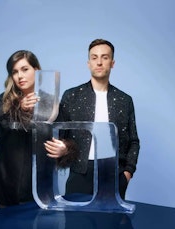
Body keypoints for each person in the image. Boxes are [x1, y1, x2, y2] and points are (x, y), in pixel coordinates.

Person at [44, 39, 140, 199]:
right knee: (77, 223)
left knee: (111, 223)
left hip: (114, 175)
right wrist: (62, 149)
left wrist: (128, 173)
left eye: (105, 57)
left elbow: (133, 141)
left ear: (112, 63)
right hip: (80, 173)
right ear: (88, 63)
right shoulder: (72, 96)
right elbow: (60, 135)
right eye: (94, 58)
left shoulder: (125, 100)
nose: (99, 62)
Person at [0, 50, 41, 208]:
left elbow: (59, 135)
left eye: (25, 69)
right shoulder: (5, 99)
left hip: (38, 183)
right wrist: (18, 110)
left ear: (36, 70)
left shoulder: (49, 101)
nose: (20, 76)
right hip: (7, 179)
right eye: (14, 72)